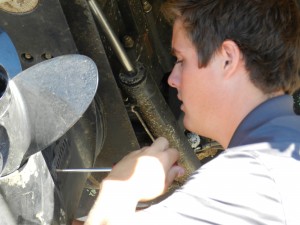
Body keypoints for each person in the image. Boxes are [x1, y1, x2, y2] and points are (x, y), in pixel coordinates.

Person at [82, 0, 300, 224]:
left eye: (181, 60)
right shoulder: (280, 161)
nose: (172, 79)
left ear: (228, 59)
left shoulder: (249, 181)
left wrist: (120, 188)